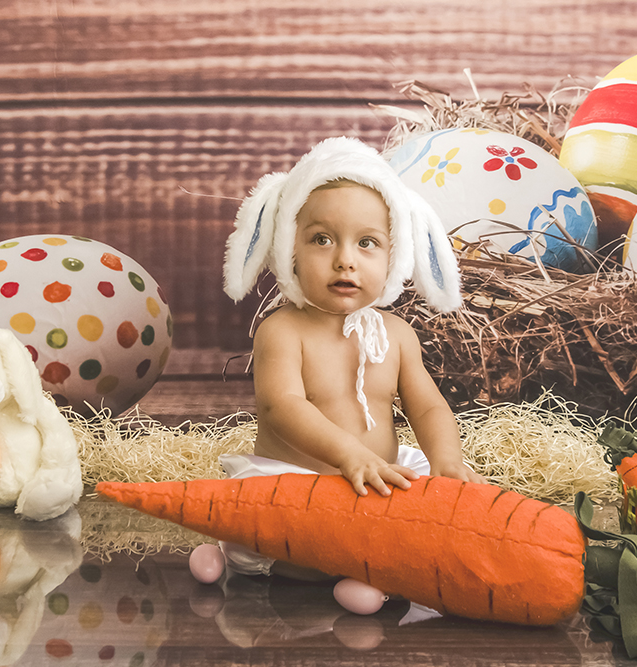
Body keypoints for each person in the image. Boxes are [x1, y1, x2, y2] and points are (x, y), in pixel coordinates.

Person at [203, 137, 484, 589]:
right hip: (301, 484)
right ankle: (315, 565)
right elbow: (283, 406)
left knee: (443, 511)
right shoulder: (283, 330)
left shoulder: (397, 335)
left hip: (375, 482)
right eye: (322, 239)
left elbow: (429, 407)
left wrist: (446, 459)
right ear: (288, 247)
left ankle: (363, 563)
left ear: (396, 257)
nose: (345, 260)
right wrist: (350, 454)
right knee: (284, 528)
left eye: (367, 242)